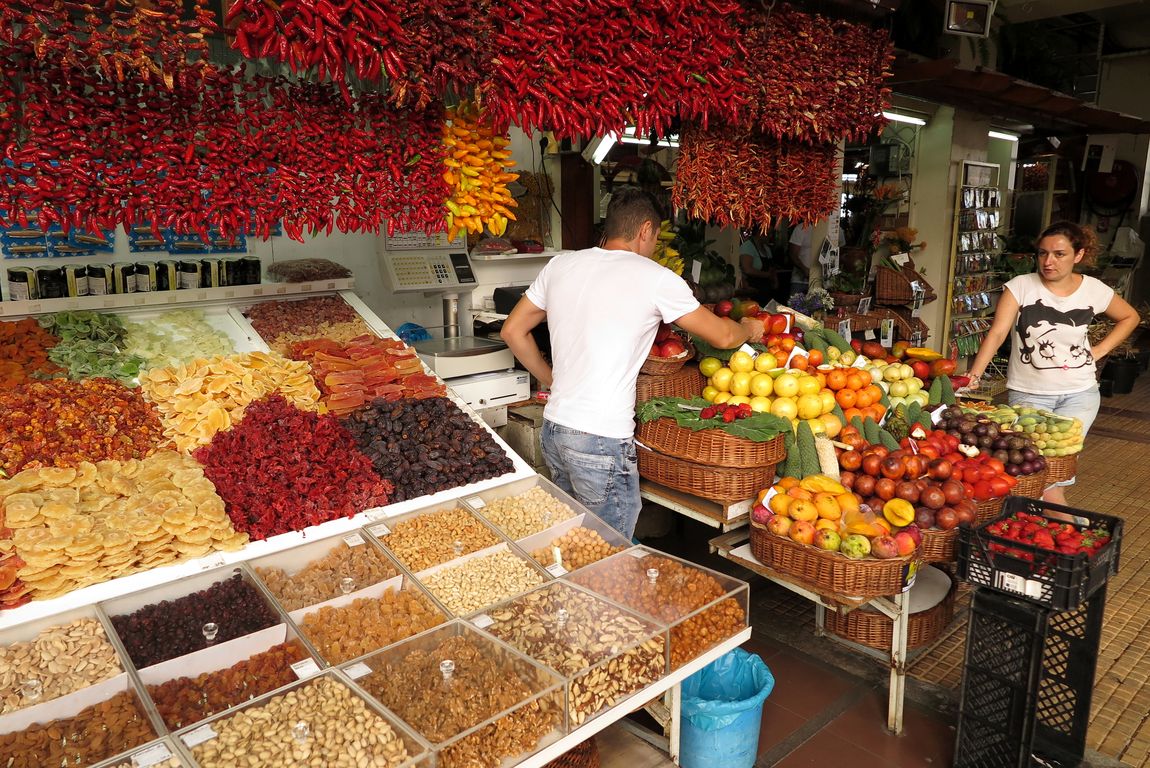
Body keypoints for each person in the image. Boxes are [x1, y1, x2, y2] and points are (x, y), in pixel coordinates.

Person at [500, 188, 758, 539]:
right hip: (600, 438)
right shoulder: (654, 277)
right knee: (608, 555)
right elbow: (723, 337)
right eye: (654, 237)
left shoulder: (561, 264)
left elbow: (513, 331)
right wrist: (748, 327)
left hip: (556, 429)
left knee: (575, 542)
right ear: (646, 230)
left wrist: (552, 381)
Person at [966, 221, 1139, 505]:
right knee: (1031, 472)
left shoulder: (1094, 289)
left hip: (1080, 395)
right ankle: (1061, 533)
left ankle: (1052, 535)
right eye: (1042, 253)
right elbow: (997, 333)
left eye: (1059, 254)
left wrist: (1099, 350)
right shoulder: (1021, 287)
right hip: (1029, 396)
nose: (1048, 262)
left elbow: (1129, 317)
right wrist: (974, 375)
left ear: (1078, 255)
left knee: (1053, 475)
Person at [738, 229, 779, 304]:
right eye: (768, 233)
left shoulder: (767, 249)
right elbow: (747, 269)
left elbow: (772, 267)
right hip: (753, 290)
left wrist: (775, 280)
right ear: (759, 233)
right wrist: (767, 275)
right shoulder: (748, 246)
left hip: (766, 290)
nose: (770, 236)